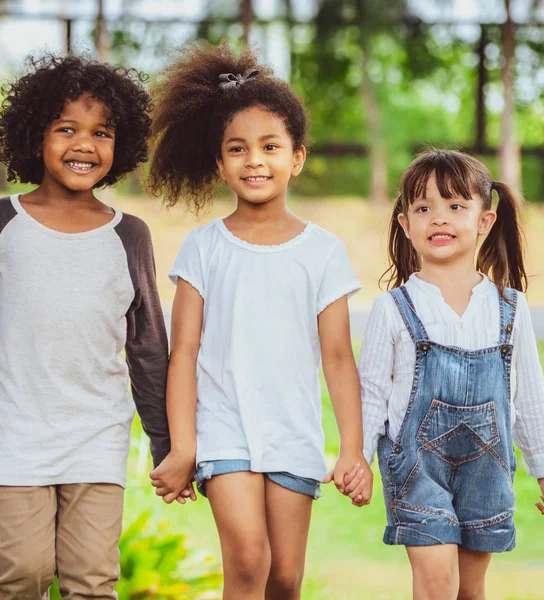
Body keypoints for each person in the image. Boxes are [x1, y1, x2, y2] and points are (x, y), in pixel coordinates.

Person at [147, 42, 372, 600]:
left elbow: (339, 358)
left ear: (295, 157)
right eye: (238, 149)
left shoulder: (323, 251)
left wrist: (351, 449)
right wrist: (183, 447)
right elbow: (184, 354)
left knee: (285, 577)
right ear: (220, 164)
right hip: (223, 429)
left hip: (293, 430)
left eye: (270, 147)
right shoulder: (203, 248)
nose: (255, 161)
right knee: (247, 562)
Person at [0, 54, 169, 600]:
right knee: (22, 574)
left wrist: (166, 443)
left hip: (97, 433)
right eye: (66, 129)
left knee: (91, 580)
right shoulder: (0, 221)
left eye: (101, 133)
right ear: (34, 134)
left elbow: (147, 347)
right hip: (19, 431)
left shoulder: (129, 235)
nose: (84, 145)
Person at [359, 149, 544, 600]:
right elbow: (370, 392)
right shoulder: (393, 307)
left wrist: (542, 469)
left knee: (470, 589)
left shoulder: (511, 307)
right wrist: (357, 458)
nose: (438, 219)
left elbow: (529, 398)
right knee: (438, 584)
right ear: (405, 224)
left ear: (485, 221)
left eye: (455, 206)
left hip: (488, 470)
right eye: (424, 209)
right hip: (417, 470)